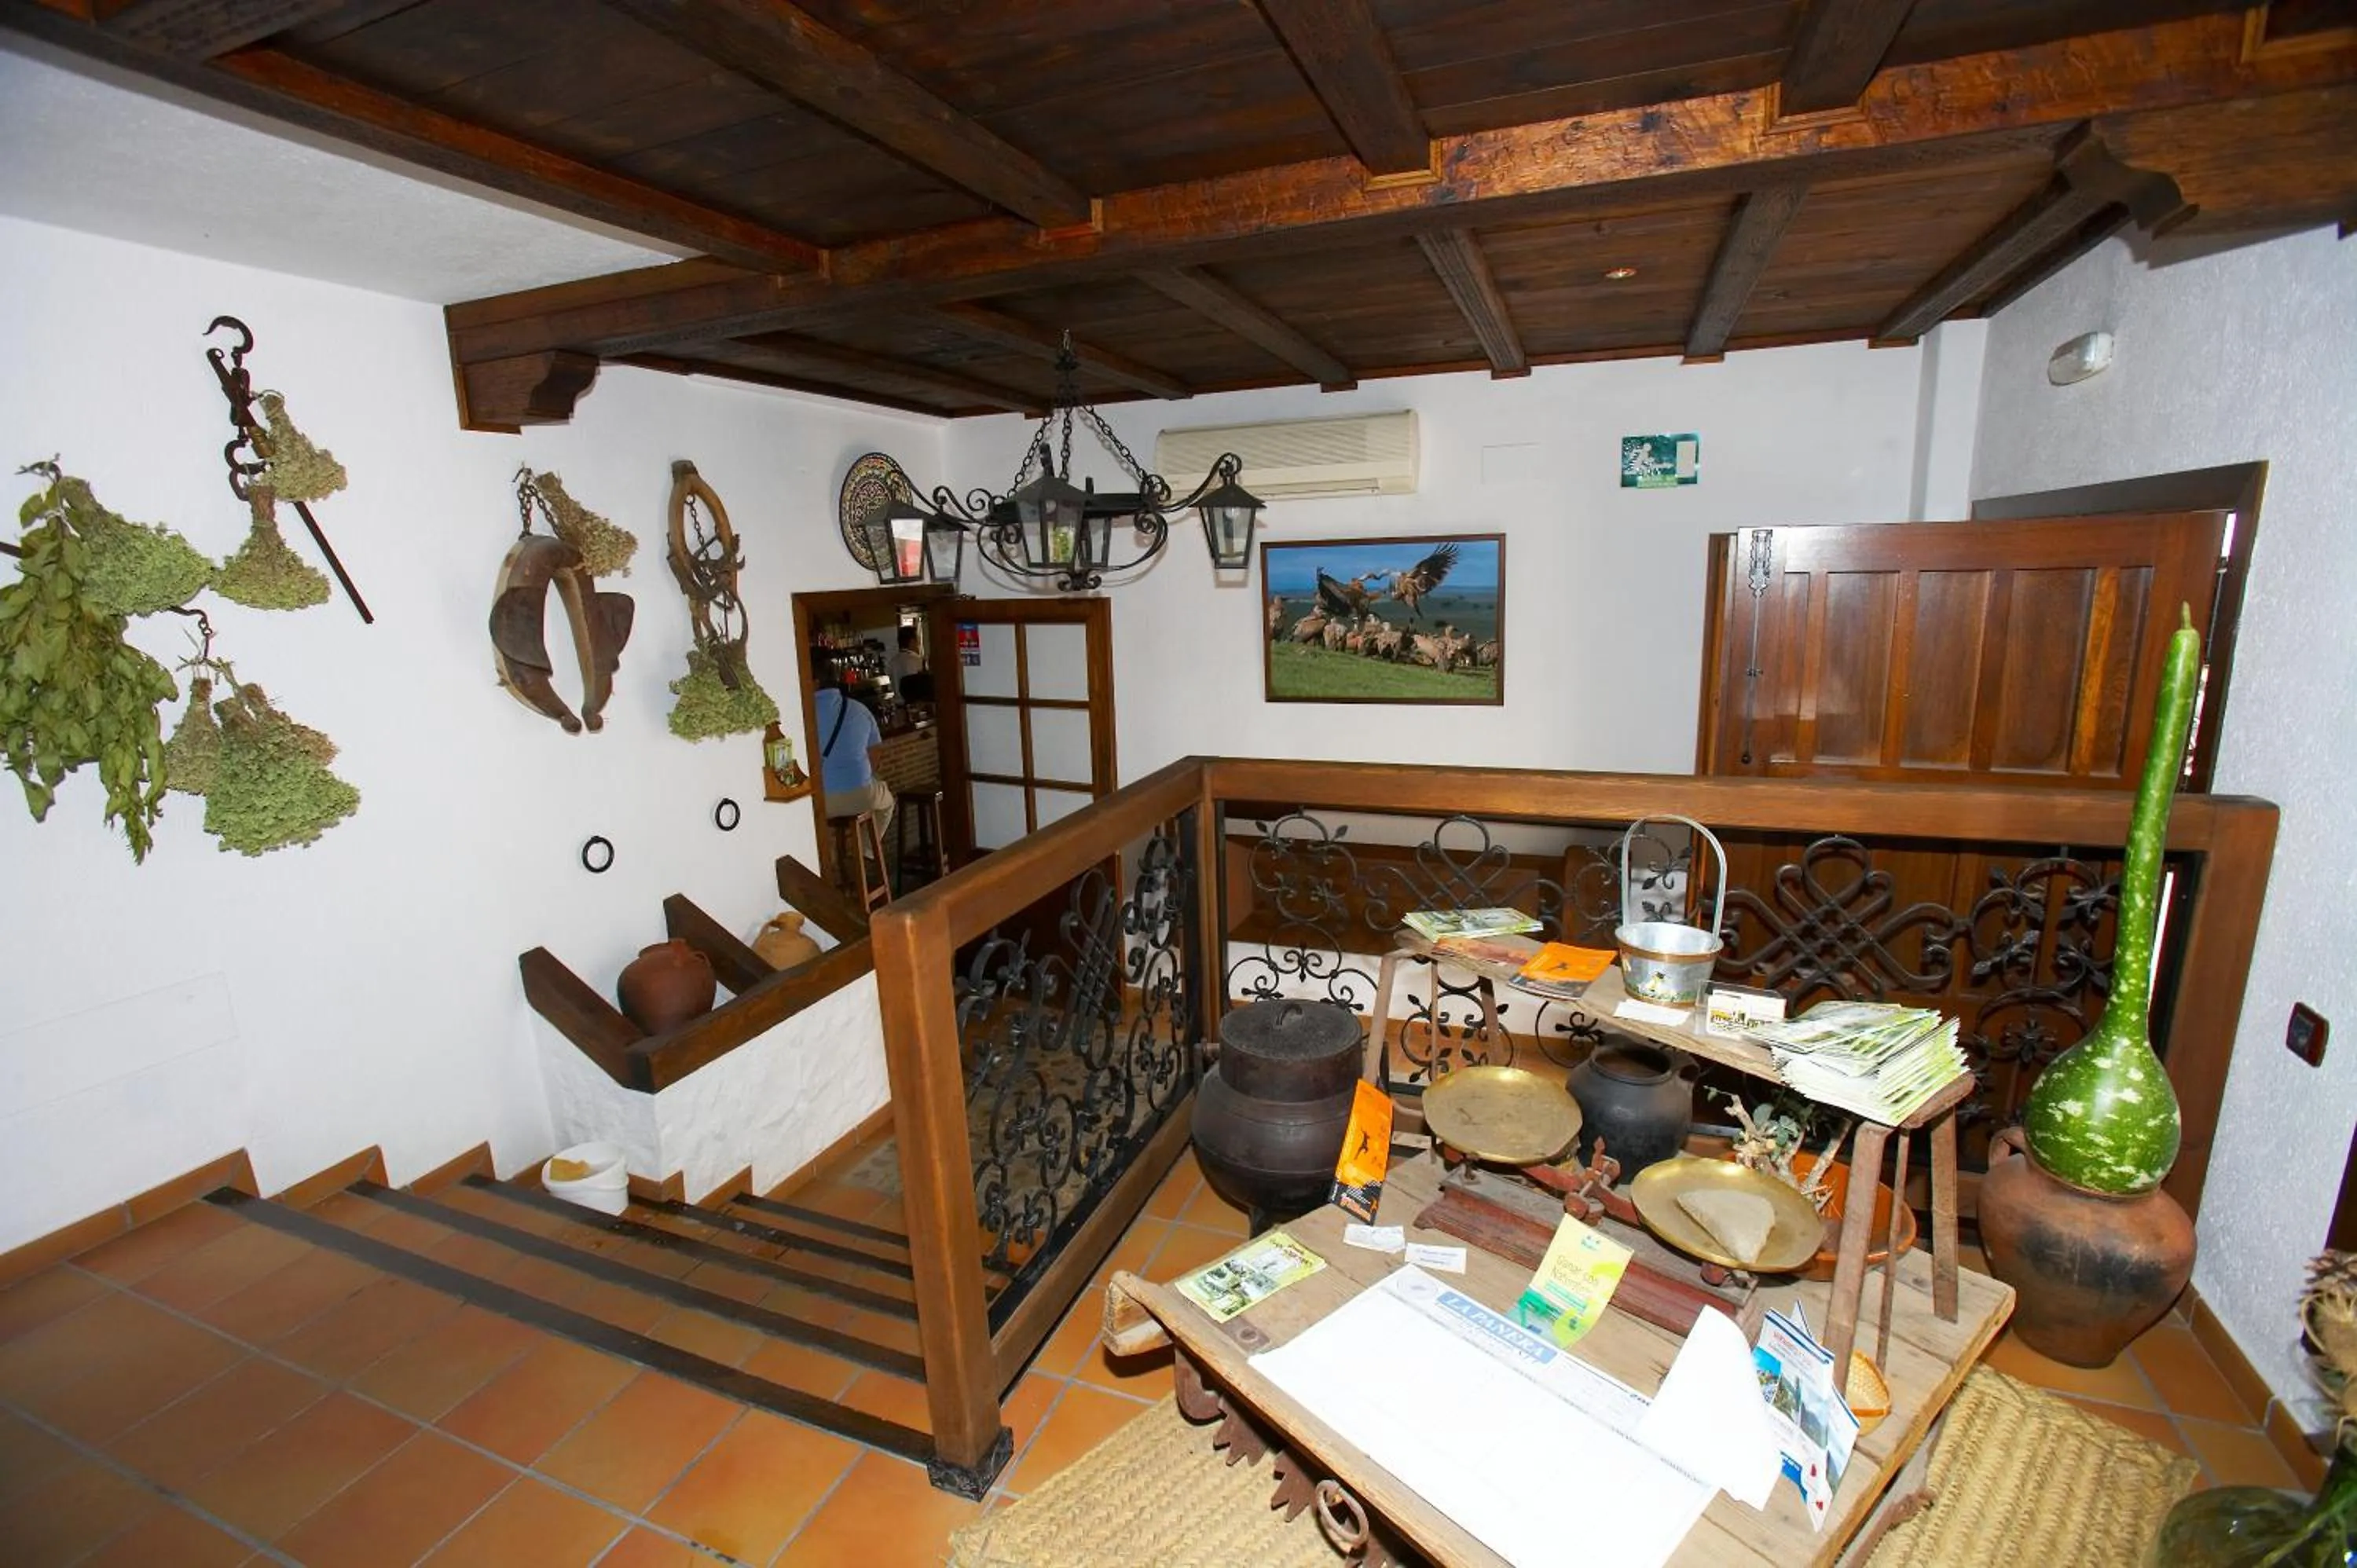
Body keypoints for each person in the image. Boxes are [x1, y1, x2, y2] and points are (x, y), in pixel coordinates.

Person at [812, 648, 894, 845]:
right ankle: (866, 852)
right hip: (861, 796)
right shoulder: (860, 709)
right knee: (887, 803)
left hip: (820, 802)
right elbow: (875, 754)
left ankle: (826, 864)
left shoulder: (802, 713)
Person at [893, 623, 933, 704]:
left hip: (898, 705)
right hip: (915, 705)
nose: (918, 644)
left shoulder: (893, 661)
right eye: (917, 640)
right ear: (912, 642)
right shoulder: (917, 660)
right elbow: (919, 689)